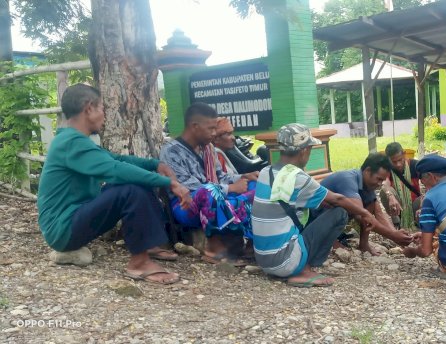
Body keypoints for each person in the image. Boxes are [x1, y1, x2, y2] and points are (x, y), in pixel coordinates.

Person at [37, 84, 192, 285]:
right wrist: (169, 183)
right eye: (102, 108)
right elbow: (115, 170)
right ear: (89, 108)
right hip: (63, 229)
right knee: (130, 189)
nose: (104, 115)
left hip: (73, 218)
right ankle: (139, 263)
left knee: (138, 183)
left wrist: (155, 164)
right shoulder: (70, 143)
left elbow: (117, 160)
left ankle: (148, 244)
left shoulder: (76, 141)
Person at [251, 124, 379, 287]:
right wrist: (366, 214)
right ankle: (304, 271)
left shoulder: (265, 172)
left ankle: (299, 263)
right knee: (339, 212)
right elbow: (338, 200)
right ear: (304, 150)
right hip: (285, 263)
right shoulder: (297, 177)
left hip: (264, 261)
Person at [160, 103, 258, 266]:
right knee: (208, 191)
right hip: (186, 206)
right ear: (195, 127)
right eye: (211, 129)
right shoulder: (171, 151)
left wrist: (244, 177)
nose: (214, 134)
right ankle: (213, 248)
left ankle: (251, 245)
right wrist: (231, 188)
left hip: (216, 195)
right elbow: (191, 188)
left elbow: (221, 177)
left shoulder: (208, 148)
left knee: (256, 185)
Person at [320, 153, 413, 255]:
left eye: (382, 180)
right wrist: (392, 235)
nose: (380, 184)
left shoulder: (367, 185)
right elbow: (362, 216)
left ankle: (363, 244)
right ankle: (329, 241)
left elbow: (378, 213)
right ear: (367, 171)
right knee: (344, 211)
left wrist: (395, 234)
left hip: (330, 221)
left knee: (371, 203)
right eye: (379, 179)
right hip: (315, 222)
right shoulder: (348, 179)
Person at [381, 142, 421, 230]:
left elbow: (430, 184)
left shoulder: (415, 165)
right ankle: (397, 223)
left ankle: (419, 223)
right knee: (384, 192)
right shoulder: (387, 168)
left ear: (404, 154)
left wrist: (424, 202)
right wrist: (390, 196)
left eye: (400, 160)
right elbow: (384, 184)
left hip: (415, 205)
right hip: (397, 206)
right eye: (394, 162)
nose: (398, 164)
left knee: (426, 198)